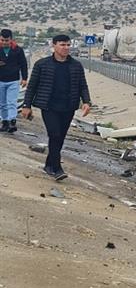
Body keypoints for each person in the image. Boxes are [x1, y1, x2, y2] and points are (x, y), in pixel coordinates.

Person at [20, 35, 91, 181]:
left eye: (68, 45)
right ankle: (57, 168)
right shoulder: (42, 64)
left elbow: (82, 85)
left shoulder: (76, 65)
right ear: (54, 45)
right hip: (49, 106)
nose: (66, 48)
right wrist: (26, 106)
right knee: (54, 134)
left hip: (68, 106)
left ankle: (48, 165)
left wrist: (87, 102)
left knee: (60, 138)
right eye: (62, 45)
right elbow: (31, 86)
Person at [0, 29, 28, 133]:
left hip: (13, 80)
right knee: (2, 103)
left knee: (11, 102)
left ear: (11, 40)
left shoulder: (18, 50)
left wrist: (25, 78)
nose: (4, 42)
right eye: (2, 40)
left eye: (6, 40)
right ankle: (5, 122)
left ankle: (12, 122)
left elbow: (23, 64)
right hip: (0, 81)